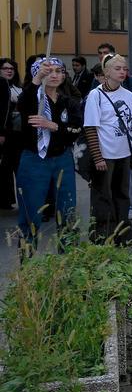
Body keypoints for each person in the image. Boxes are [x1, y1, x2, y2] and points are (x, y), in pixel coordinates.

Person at [13, 58, 82, 256]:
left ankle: (68, 260)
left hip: (62, 159)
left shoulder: (68, 102)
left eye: (58, 70)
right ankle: (27, 263)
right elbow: (23, 104)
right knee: (30, 212)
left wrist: (53, 126)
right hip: (34, 160)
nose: (54, 75)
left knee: (67, 210)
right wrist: (36, 80)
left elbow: (75, 129)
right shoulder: (33, 99)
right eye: (48, 71)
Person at [84, 54, 132, 247]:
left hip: (124, 154)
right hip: (104, 155)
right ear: (106, 72)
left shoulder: (129, 95)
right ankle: (103, 237)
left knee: (122, 195)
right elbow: (90, 127)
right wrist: (97, 157)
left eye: (124, 68)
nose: (122, 72)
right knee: (102, 197)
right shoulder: (95, 95)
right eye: (117, 68)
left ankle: (124, 235)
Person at [0, 58, 21, 211]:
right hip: (5, 133)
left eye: (11, 68)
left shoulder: (17, 88)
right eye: (5, 68)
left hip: (17, 135)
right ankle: (4, 200)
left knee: (14, 167)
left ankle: (9, 199)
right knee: (4, 168)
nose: (9, 70)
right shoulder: (1, 86)